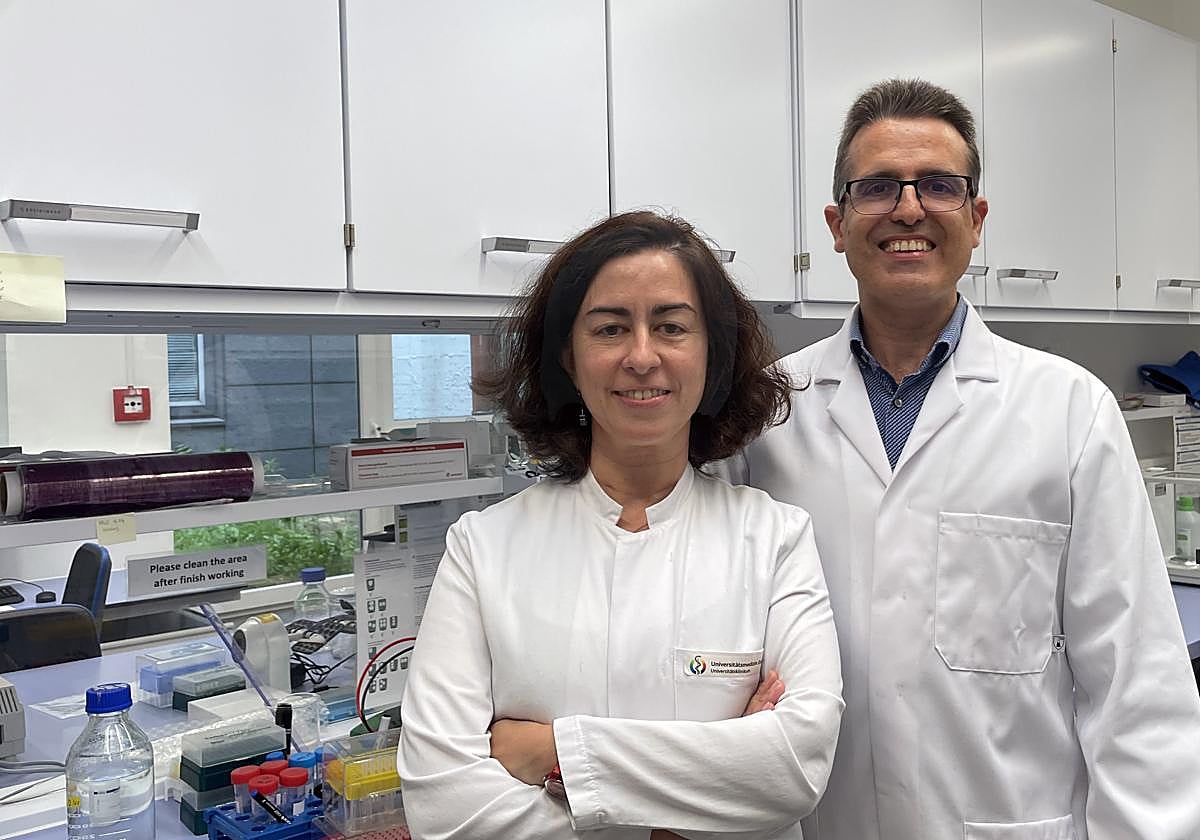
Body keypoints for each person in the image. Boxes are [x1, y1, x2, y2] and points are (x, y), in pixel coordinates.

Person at [721, 78, 1200, 839]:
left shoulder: (1069, 412)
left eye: (938, 186)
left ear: (976, 221)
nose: (908, 208)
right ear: (837, 225)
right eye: (877, 187)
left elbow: (1137, 691)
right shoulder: (765, 414)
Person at [397, 211, 843, 838]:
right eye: (610, 328)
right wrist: (681, 815)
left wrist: (550, 751)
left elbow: (793, 769)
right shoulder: (483, 549)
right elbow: (444, 811)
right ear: (568, 359)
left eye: (671, 326)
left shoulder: (775, 540)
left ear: (711, 354)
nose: (641, 356)